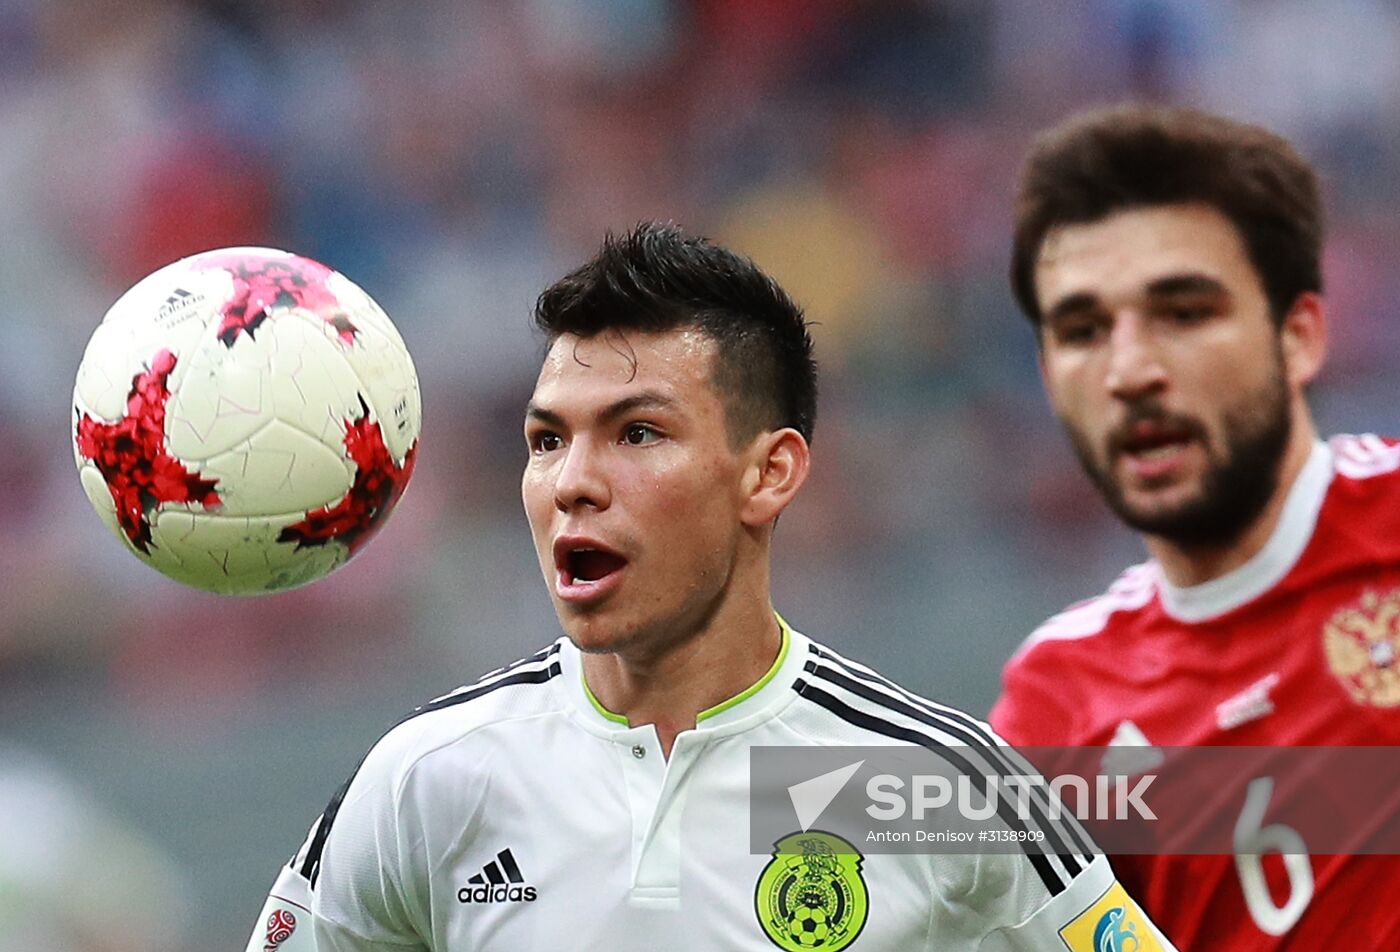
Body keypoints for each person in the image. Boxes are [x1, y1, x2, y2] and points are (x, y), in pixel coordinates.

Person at [245, 222, 1170, 951]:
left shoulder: (934, 784)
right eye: (547, 439)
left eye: (638, 432)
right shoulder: (427, 777)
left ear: (768, 474)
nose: (572, 481)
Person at [990, 102, 1400, 948]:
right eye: (1082, 330)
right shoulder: (1054, 710)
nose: (1129, 370)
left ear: (1299, 337)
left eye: (1183, 312)